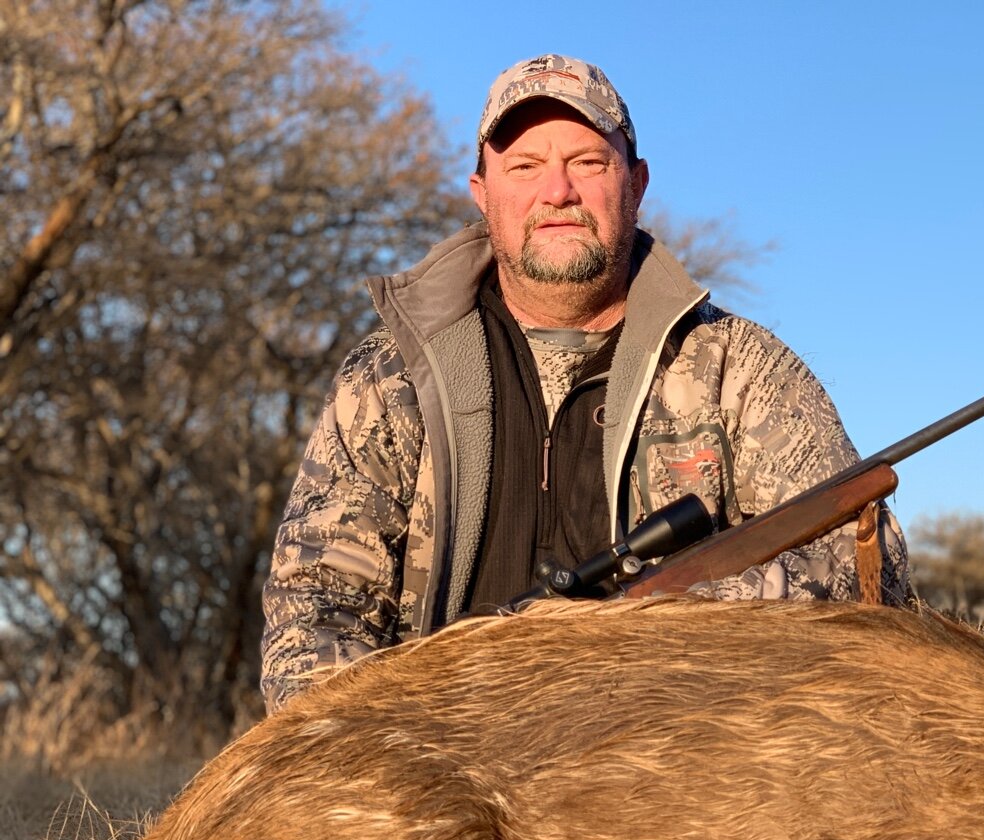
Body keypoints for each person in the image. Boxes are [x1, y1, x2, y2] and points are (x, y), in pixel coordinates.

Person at [260, 54, 908, 713]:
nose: (558, 192)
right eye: (524, 166)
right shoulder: (388, 375)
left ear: (636, 183)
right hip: (436, 757)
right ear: (482, 194)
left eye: (588, 163)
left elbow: (862, 571)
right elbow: (314, 603)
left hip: (686, 761)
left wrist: (639, 629)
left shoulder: (740, 367)